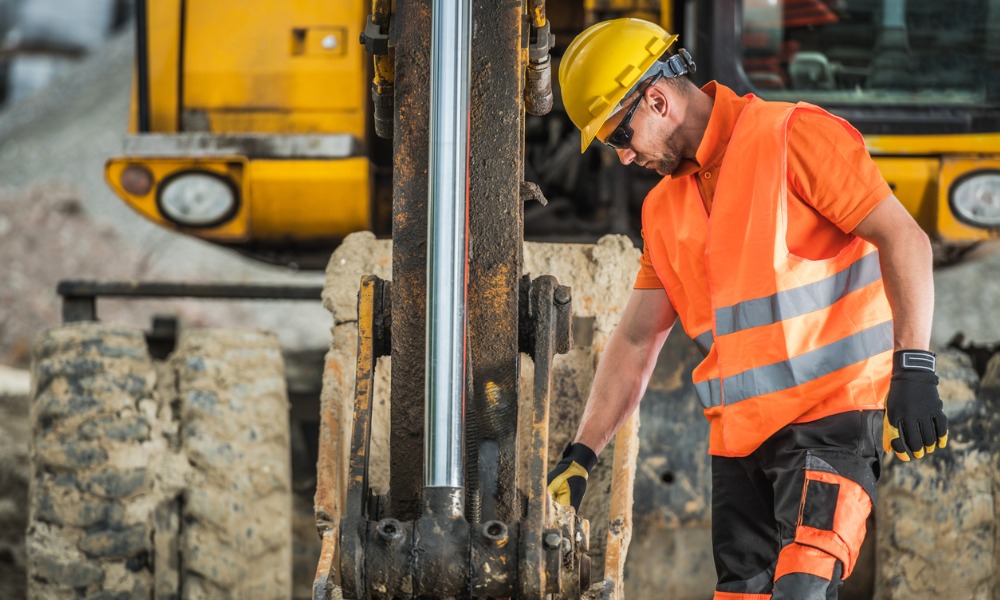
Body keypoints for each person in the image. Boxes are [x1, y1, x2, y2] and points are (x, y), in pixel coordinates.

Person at [545, 18, 949, 600]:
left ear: (657, 99)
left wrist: (914, 366)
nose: (625, 158)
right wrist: (581, 453)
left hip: (830, 420)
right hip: (740, 445)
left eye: (618, 136)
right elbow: (636, 340)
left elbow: (904, 239)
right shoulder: (663, 211)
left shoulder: (795, 136)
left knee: (803, 588)